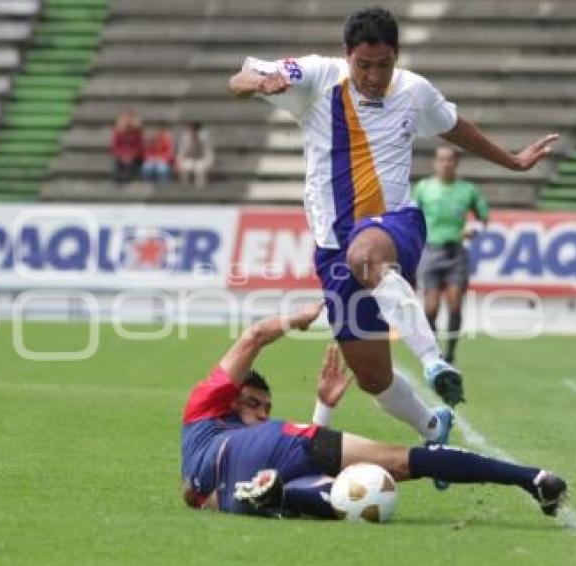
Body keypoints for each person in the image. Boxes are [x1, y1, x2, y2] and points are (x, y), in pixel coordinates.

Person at [228, 8, 557, 451]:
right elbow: (241, 77)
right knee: (373, 377)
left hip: (395, 224)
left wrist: (513, 160)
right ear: (348, 57)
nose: (374, 75)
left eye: (384, 64)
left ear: (395, 56)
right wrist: (258, 86)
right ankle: (431, 426)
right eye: (364, 65)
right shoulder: (316, 77)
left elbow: (455, 128)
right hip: (333, 246)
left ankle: (434, 361)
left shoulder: (414, 91)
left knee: (365, 256)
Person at [180, 303, 567, 519]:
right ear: (229, 399)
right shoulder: (206, 405)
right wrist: (293, 319)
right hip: (271, 450)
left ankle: (279, 498)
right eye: (253, 403)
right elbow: (254, 335)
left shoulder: (201, 452)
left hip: (250, 473)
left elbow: (196, 495)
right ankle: (533, 478)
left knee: (329, 495)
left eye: (267, 407)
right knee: (403, 461)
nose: (262, 412)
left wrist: (324, 408)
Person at [414, 146, 489, 364]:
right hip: (430, 251)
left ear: (456, 163)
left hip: (456, 252)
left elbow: (483, 218)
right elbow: (412, 216)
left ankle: (451, 353)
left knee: (455, 303)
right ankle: (433, 352)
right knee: (431, 307)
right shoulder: (423, 189)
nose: (445, 164)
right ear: (435, 163)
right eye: (441, 159)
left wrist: (473, 229)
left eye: (450, 160)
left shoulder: (468, 190)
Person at [176, 121, 214, 188]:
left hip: (202, 159)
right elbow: (181, 152)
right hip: (189, 159)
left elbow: (209, 153)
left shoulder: (205, 137)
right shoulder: (185, 137)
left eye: (194, 129)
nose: (192, 130)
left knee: (200, 169)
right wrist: (178, 162)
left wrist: (209, 163)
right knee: (184, 168)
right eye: (191, 128)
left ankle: (199, 190)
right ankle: (185, 188)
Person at [110, 110, 144, 184]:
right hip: (122, 157)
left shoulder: (137, 133)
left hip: (134, 158)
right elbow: (115, 147)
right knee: (117, 170)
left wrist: (131, 156)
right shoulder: (118, 133)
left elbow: (139, 147)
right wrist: (123, 156)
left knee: (131, 167)